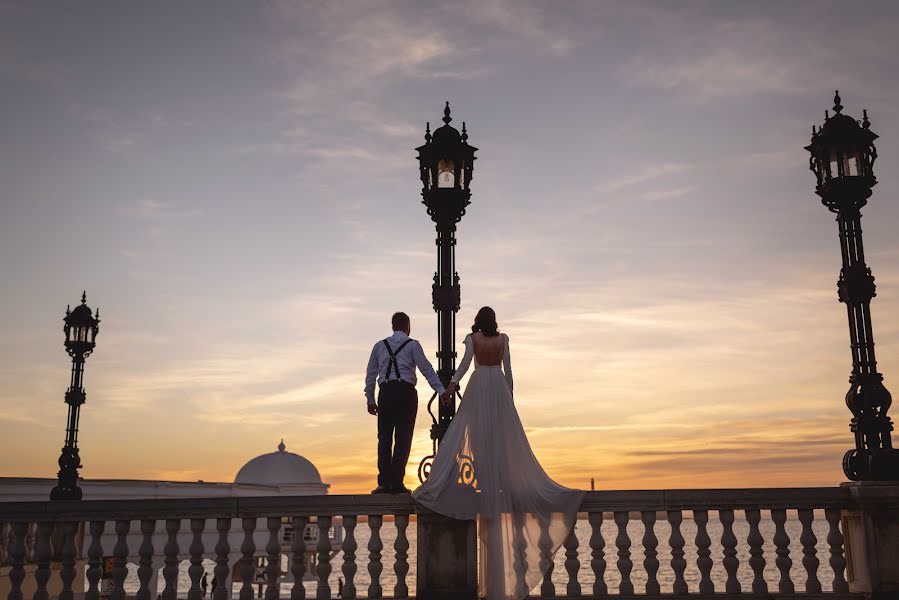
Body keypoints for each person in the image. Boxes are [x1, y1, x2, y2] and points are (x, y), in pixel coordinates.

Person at [413, 306, 584, 600]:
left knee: (474, 437)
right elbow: (509, 372)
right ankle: (497, 482)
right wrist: (510, 399)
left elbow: (465, 365)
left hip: (480, 388)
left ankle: (482, 479)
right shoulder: (503, 339)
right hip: (498, 389)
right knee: (502, 440)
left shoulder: (472, 339)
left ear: (479, 321)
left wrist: (450, 388)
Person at [364, 311, 446, 494]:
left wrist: (370, 398)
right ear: (408, 327)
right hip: (406, 392)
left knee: (384, 438)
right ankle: (397, 482)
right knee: (403, 439)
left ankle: (384, 482)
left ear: (393, 326)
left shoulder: (379, 346)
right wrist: (440, 390)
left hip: (385, 392)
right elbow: (426, 369)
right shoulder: (413, 345)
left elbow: (370, 375)